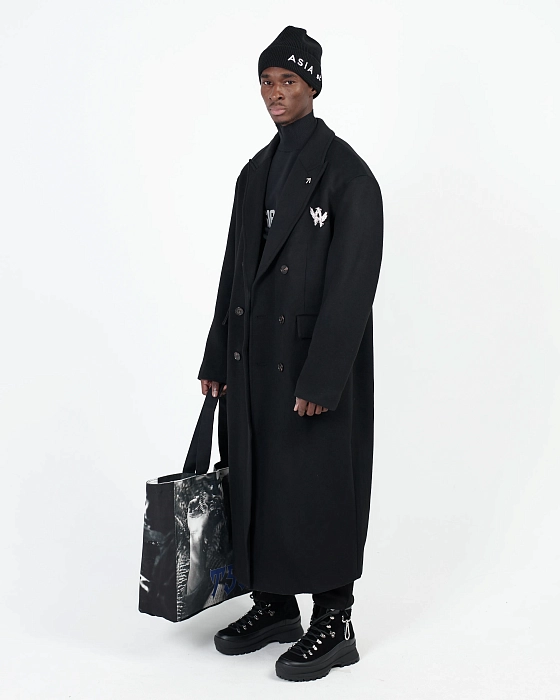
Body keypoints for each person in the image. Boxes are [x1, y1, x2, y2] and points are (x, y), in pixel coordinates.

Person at [197, 25, 384, 682]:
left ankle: (335, 620)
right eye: (267, 82)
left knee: (319, 485)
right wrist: (216, 356)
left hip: (310, 366)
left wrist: (324, 377)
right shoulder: (254, 174)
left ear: (313, 87)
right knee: (258, 479)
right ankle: (275, 605)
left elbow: (354, 283)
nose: (275, 93)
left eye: (288, 81)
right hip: (252, 361)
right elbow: (233, 273)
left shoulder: (348, 175)